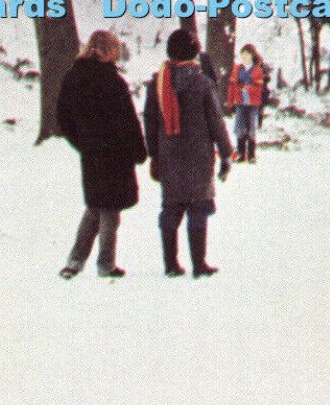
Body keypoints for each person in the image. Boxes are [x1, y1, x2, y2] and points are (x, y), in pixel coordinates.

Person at [57, 31, 148, 279]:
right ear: (109, 51)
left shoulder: (73, 77)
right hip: (116, 153)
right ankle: (105, 264)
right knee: (109, 209)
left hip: (91, 153)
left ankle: (74, 262)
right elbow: (128, 121)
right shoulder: (113, 82)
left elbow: (63, 119)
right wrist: (139, 151)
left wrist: (83, 143)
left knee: (96, 205)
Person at [143, 28, 232, 278]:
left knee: (171, 208)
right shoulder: (202, 83)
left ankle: (170, 264)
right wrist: (226, 153)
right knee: (198, 207)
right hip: (199, 157)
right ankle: (199, 264)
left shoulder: (157, 83)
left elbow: (149, 122)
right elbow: (215, 120)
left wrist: (154, 155)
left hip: (169, 156)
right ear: (194, 53)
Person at [226, 43, 267, 164]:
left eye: (246, 54)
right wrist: (230, 101)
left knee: (251, 128)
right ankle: (240, 154)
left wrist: (247, 88)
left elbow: (259, 88)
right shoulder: (237, 69)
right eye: (242, 54)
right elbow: (232, 86)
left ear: (252, 55)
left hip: (253, 104)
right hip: (240, 103)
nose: (244, 57)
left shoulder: (257, 70)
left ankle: (251, 155)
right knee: (240, 128)